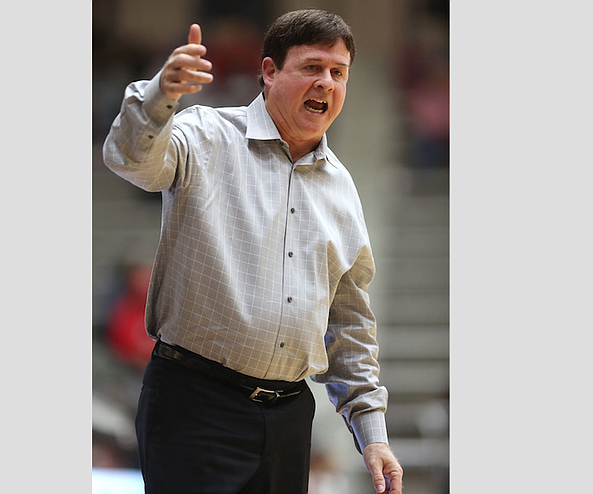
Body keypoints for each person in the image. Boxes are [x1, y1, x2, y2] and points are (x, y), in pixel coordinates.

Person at [102, 9, 403, 494]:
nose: (326, 82)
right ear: (269, 72)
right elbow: (128, 157)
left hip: (288, 418)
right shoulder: (206, 134)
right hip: (195, 404)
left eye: (338, 72)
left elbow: (350, 322)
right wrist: (159, 95)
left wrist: (373, 434)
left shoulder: (343, 188)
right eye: (311, 67)